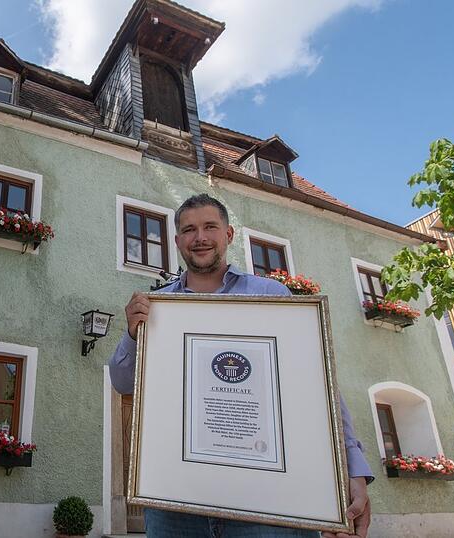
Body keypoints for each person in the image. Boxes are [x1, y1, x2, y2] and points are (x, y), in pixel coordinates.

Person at [109, 194, 372, 538]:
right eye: (189, 230)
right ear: (177, 241)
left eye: (210, 227)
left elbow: (318, 385)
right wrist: (133, 334)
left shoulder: (272, 295)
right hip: (175, 504)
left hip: (269, 506)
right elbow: (122, 382)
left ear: (229, 234)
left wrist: (351, 467)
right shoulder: (158, 307)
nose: (200, 237)